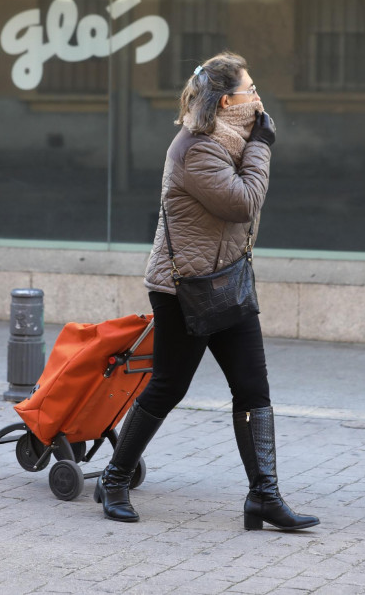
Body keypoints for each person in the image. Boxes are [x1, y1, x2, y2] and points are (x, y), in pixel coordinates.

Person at [94, 51, 319, 531]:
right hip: (183, 288)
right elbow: (242, 203)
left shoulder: (231, 141)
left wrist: (253, 144)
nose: (258, 99)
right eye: (249, 90)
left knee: (253, 390)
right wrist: (262, 146)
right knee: (169, 386)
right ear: (224, 100)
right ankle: (114, 479)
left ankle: (264, 496)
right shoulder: (196, 148)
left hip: (227, 280)